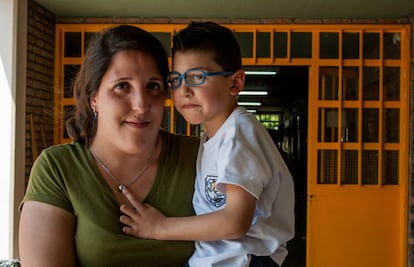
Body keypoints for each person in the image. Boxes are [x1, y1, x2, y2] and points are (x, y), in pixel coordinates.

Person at [19, 25, 199, 267]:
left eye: (153, 86)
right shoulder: (58, 169)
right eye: (122, 86)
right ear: (94, 98)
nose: (141, 105)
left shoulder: (199, 157)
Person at [119, 22, 295, 267]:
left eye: (197, 77)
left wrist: (159, 227)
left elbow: (234, 222)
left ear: (235, 84)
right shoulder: (215, 136)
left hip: (244, 261)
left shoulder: (237, 135)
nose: (184, 90)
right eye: (176, 80)